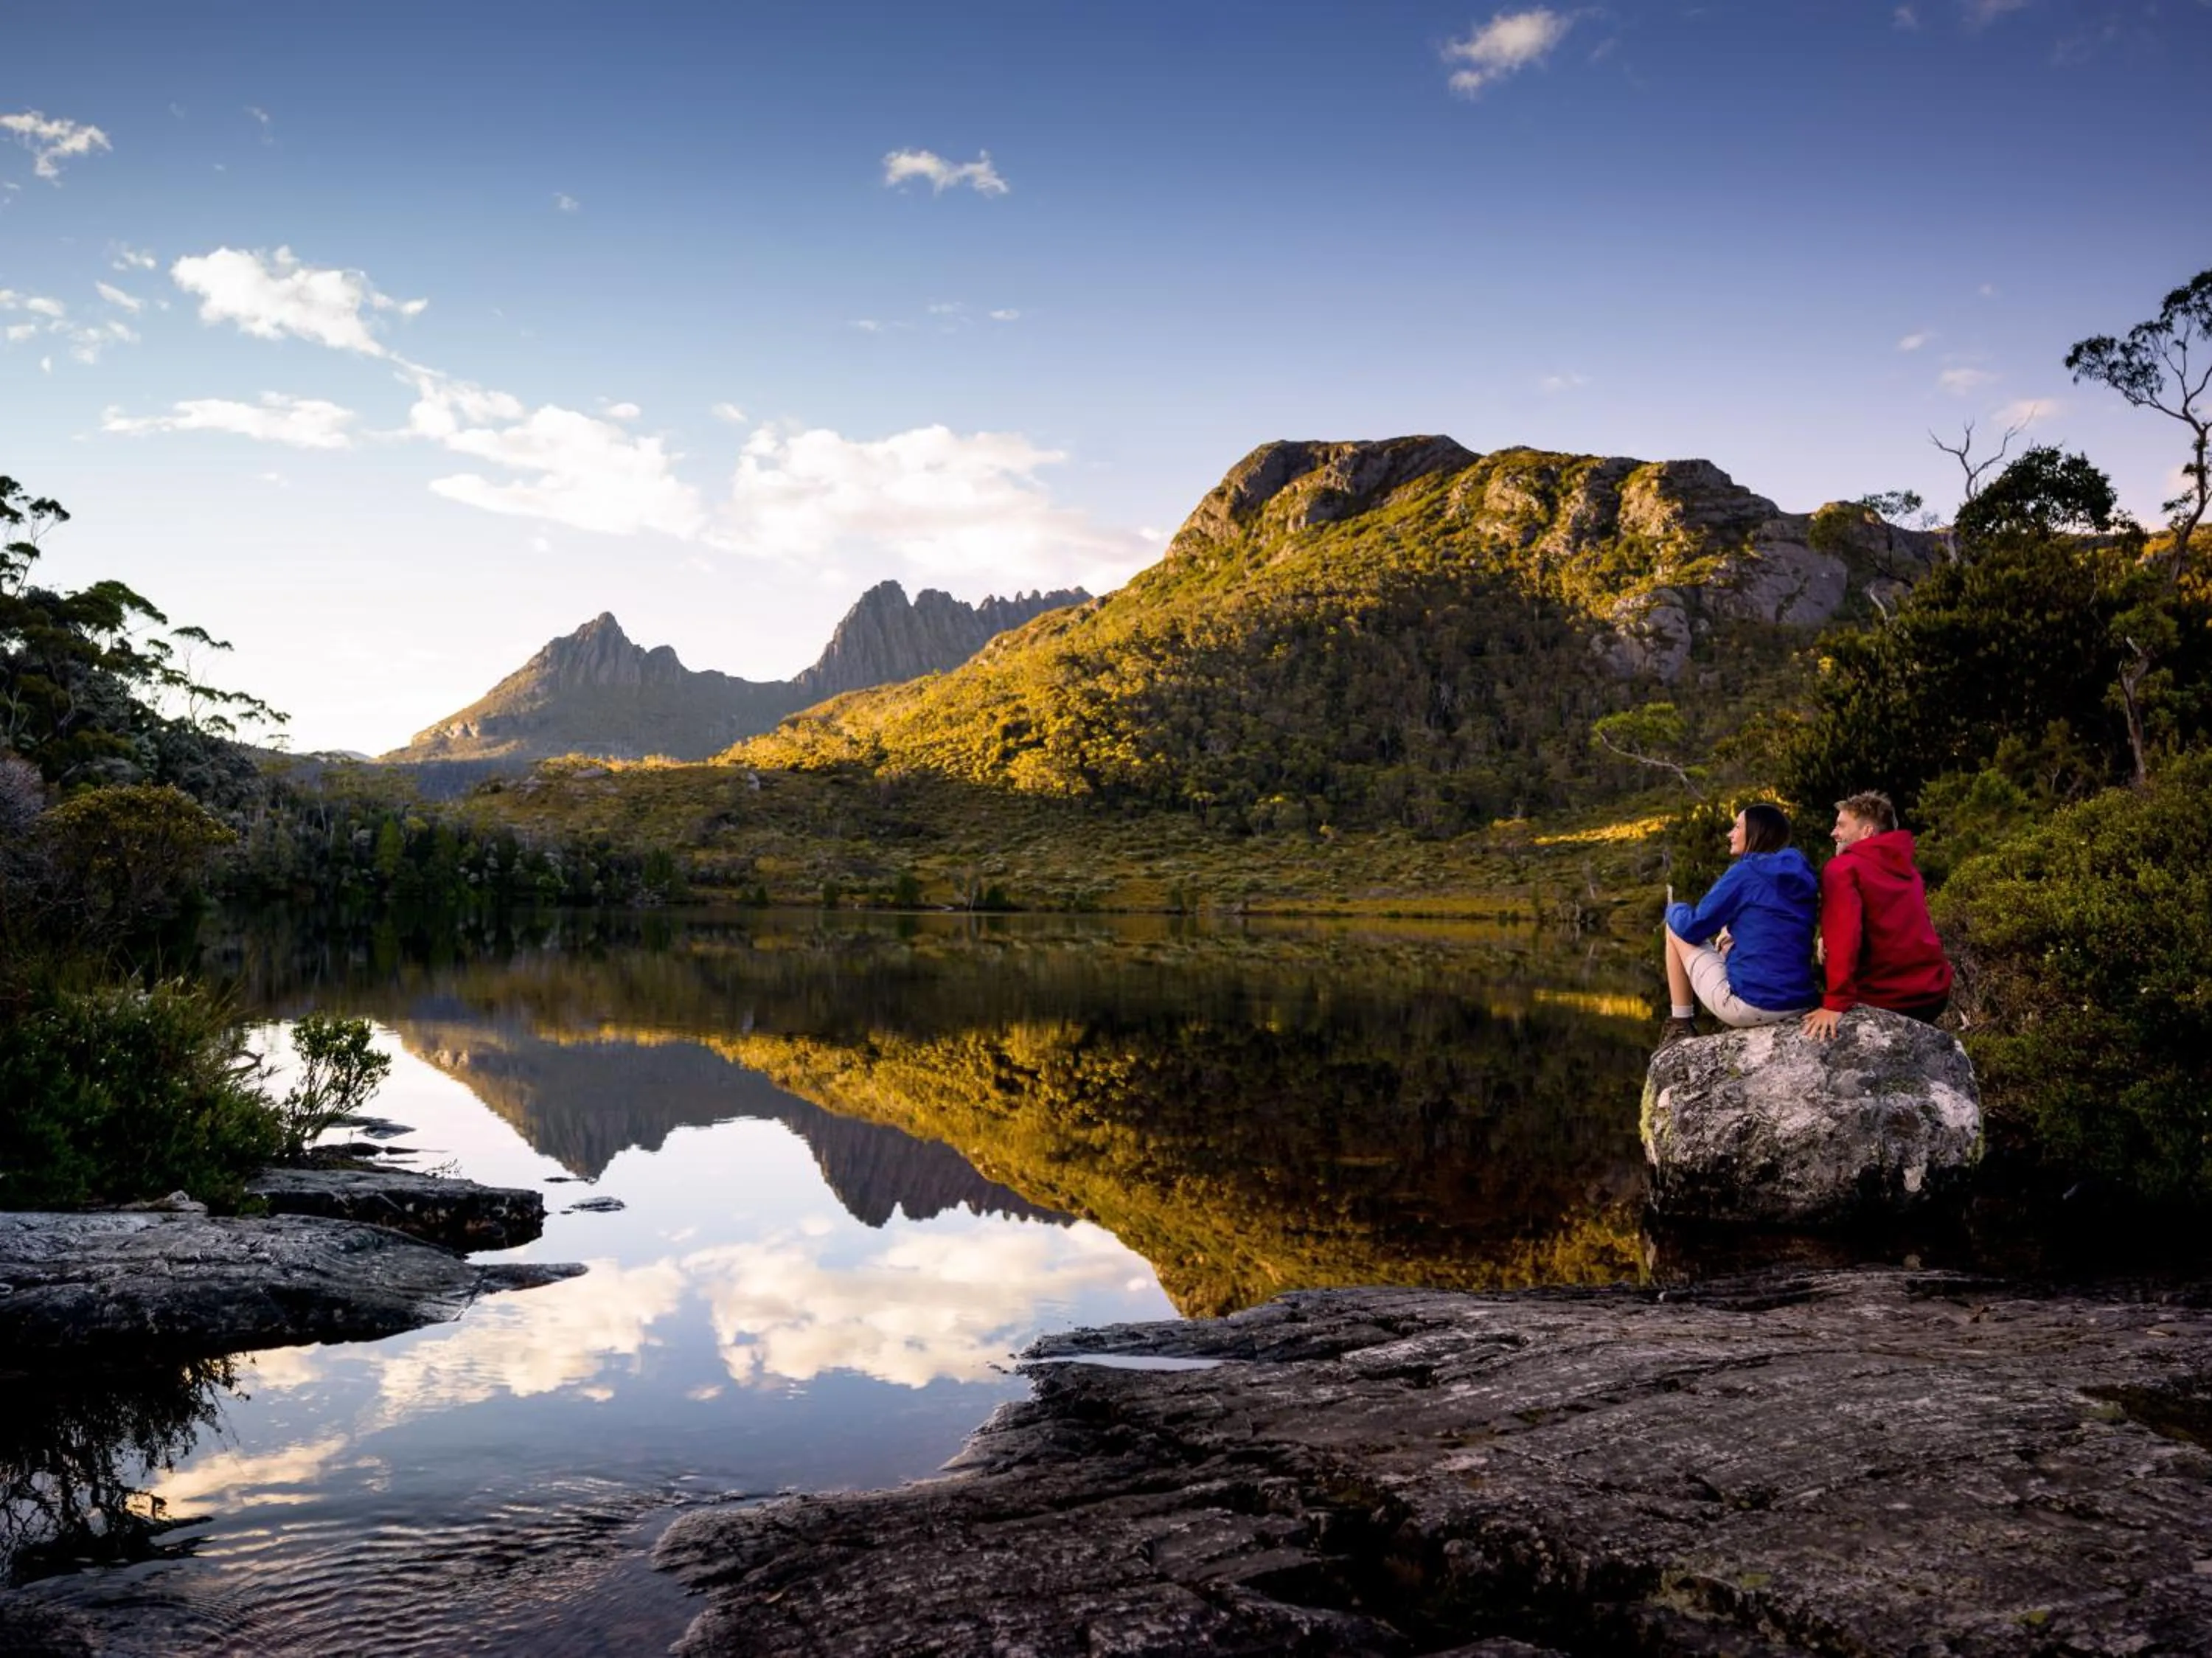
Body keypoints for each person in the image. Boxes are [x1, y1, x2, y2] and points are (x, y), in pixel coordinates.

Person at [1658, 802, 1820, 1045]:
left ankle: (1680, 1024)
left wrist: (1674, 909)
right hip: (1800, 1002)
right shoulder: (1801, 874)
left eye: (1736, 826)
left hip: (1755, 1006)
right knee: (1728, 933)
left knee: (1675, 929)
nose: (1730, 834)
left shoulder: (1746, 872)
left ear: (1756, 832)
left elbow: (1692, 928)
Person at [1801, 791, 1952, 1040]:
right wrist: (1824, 938)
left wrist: (1835, 1003)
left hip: (1890, 997)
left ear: (1867, 832)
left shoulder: (1843, 868)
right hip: (1933, 995)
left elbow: (1846, 937)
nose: (1833, 833)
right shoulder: (1908, 869)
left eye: (1841, 825)